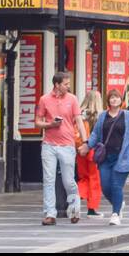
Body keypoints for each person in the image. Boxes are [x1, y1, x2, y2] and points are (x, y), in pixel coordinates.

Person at [79, 88, 129, 227]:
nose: (114, 99)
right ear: (108, 100)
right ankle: (119, 202)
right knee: (105, 187)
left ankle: (115, 214)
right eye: (111, 97)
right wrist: (87, 146)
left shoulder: (128, 116)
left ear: (121, 100)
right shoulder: (103, 116)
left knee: (116, 186)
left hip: (123, 158)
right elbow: (96, 134)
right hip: (105, 158)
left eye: (116, 97)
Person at [34, 72, 86, 225]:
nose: (68, 86)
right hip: (49, 145)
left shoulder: (72, 99)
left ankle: (75, 209)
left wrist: (85, 141)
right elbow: (37, 122)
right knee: (48, 180)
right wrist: (50, 125)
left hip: (67, 145)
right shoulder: (44, 99)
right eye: (65, 84)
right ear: (57, 85)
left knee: (68, 180)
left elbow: (79, 121)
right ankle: (50, 213)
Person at [75, 90, 104, 217]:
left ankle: (76, 196)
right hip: (93, 151)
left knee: (83, 177)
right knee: (94, 179)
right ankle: (92, 209)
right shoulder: (100, 116)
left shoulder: (79, 113)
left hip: (80, 150)